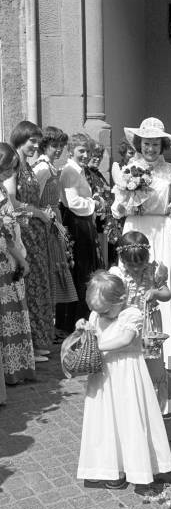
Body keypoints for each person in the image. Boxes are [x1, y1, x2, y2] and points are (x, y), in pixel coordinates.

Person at [76, 271, 171, 488]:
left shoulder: (132, 314)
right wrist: (83, 328)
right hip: (102, 377)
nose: (101, 315)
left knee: (129, 418)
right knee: (105, 420)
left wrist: (97, 346)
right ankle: (109, 466)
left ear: (121, 300)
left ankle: (135, 468)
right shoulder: (97, 315)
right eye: (96, 311)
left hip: (127, 375)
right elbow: (92, 333)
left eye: (105, 310)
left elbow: (125, 339)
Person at [112, 117, 171, 371]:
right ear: (139, 144)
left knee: (159, 281)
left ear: (162, 146)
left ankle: (166, 351)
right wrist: (122, 206)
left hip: (160, 229)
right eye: (146, 144)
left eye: (156, 144)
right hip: (135, 226)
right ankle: (131, 344)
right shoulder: (128, 169)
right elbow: (118, 205)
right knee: (131, 280)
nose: (151, 149)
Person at [109, 231, 171, 414]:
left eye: (141, 263)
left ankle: (153, 408)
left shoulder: (154, 270)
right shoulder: (117, 275)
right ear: (122, 259)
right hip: (126, 327)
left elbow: (166, 294)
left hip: (150, 326)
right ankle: (129, 404)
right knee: (129, 363)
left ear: (148, 258)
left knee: (151, 362)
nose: (136, 268)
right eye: (131, 264)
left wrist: (156, 292)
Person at [8, 121, 55, 362]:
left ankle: (38, 341)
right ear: (20, 139)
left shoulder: (28, 165)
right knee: (30, 285)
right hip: (23, 231)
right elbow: (11, 200)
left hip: (34, 231)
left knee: (38, 285)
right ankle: (31, 345)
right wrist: (38, 213)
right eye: (31, 141)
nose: (35, 145)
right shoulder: (14, 163)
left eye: (38, 141)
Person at [32, 126, 78, 342]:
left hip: (54, 222)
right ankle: (46, 329)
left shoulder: (50, 167)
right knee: (51, 272)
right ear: (45, 146)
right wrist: (46, 215)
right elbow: (35, 199)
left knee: (57, 271)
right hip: (46, 224)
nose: (58, 150)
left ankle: (49, 329)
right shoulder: (41, 168)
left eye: (61, 146)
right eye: (54, 146)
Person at [59, 132, 104, 327]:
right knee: (80, 270)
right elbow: (72, 201)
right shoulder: (70, 171)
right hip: (76, 223)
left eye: (88, 151)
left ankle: (82, 316)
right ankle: (74, 320)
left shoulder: (78, 170)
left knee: (85, 269)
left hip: (84, 222)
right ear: (71, 150)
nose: (86, 155)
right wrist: (93, 203)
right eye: (81, 151)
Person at [0, 143, 35, 386]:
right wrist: (21, 259)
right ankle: (12, 370)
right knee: (9, 315)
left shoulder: (1, 188)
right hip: (5, 259)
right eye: (6, 169)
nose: (10, 174)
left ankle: (18, 368)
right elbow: (5, 233)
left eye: (13, 169)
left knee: (14, 313)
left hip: (11, 254)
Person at [85, 141, 116, 266]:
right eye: (94, 155)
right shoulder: (86, 173)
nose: (97, 158)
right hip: (97, 224)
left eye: (100, 156)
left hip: (107, 224)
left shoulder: (97, 173)